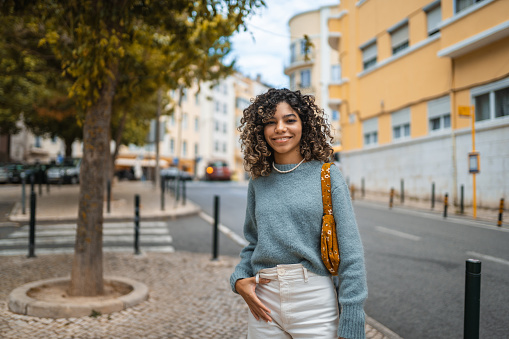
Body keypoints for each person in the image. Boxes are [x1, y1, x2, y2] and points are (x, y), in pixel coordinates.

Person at [230, 88, 368, 339]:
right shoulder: (258, 181)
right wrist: (239, 279)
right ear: (261, 131)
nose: (280, 128)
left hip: (314, 301)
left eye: (289, 120)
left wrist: (352, 313)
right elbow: (253, 244)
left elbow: (351, 252)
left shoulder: (327, 175)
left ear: (305, 125)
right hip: (264, 301)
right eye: (270, 122)